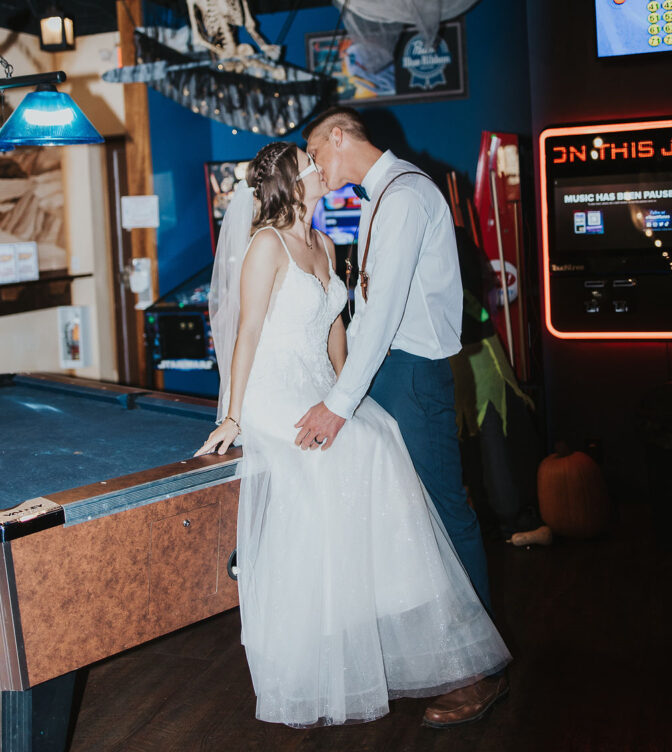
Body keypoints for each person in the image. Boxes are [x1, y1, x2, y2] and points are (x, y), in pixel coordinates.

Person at [196, 138, 509, 729]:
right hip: (275, 389)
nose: (317, 168)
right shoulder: (266, 245)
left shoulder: (327, 241)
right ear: (290, 181)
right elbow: (246, 333)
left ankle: (384, 620)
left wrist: (349, 395)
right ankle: (320, 641)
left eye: (316, 158)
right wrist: (234, 415)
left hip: (319, 381)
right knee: (343, 455)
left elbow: (338, 327)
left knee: (378, 436)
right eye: (308, 164)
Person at [296, 106, 508, 726]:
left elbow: (384, 312)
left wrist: (337, 407)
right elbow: (371, 308)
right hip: (392, 374)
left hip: (413, 373)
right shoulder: (385, 194)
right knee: (408, 519)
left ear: (340, 135)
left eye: (316, 151)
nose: (314, 166)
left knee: (444, 511)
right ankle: (439, 655)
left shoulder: (408, 194)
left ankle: (481, 670)